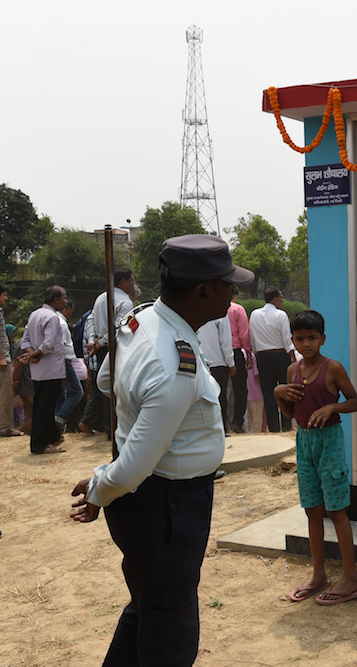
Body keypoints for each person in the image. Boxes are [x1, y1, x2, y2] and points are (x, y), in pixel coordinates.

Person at [69, 234, 254, 667]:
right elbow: (132, 467)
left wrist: (104, 486)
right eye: (228, 284)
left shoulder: (143, 319)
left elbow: (103, 383)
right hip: (167, 508)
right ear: (203, 292)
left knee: (148, 608)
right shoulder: (175, 364)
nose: (234, 292)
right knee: (170, 635)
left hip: (156, 504)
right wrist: (101, 487)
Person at [274, 310, 357, 604]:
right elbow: (291, 412)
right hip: (303, 442)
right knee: (312, 510)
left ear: (322, 339)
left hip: (330, 442)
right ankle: (318, 574)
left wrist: (332, 408)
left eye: (312, 337)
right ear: (293, 341)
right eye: (299, 338)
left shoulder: (333, 368)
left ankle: (351, 578)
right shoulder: (293, 371)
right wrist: (278, 394)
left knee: (336, 510)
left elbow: (355, 402)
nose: (306, 343)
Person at [82, 268, 135, 437]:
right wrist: (100, 342)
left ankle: (108, 428)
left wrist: (92, 340)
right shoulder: (125, 302)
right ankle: (116, 429)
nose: (133, 283)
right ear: (123, 282)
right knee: (117, 386)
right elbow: (120, 329)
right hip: (115, 347)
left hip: (100, 346)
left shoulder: (101, 297)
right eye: (131, 280)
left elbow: (90, 320)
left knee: (105, 386)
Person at [20, 286, 68, 454]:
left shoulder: (35, 314)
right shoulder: (52, 317)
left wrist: (31, 354)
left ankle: (52, 437)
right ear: (56, 300)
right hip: (50, 370)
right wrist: (35, 353)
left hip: (39, 370)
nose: (65, 301)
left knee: (43, 405)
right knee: (45, 407)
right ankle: (40, 444)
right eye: (63, 298)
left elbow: (25, 341)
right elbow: (48, 345)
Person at [249, 287, 295, 433]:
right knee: (286, 390)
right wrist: (293, 356)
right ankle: (287, 425)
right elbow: (287, 339)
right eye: (281, 297)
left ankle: (273, 428)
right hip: (280, 355)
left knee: (268, 393)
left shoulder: (254, 314)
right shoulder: (281, 315)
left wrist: (256, 353)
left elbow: (252, 337)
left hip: (262, 356)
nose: (282, 300)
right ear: (275, 299)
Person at [197, 315, 235, 435]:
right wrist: (231, 363)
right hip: (217, 360)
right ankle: (221, 429)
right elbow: (225, 340)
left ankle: (205, 431)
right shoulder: (221, 312)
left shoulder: (193, 306)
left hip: (199, 359)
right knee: (220, 398)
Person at [53, 298, 84, 432]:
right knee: (77, 392)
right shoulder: (60, 322)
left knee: (61, 394)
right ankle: (59, 416)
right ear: (67, 309)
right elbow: (61, 346)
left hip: (60, 361)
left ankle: (57, 426)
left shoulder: (57, 320)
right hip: (63, 361)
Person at [228, 291, 252, 433]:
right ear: (234, 295)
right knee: (240, 390)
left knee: (221, 389)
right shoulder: (237, 309)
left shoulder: (214, 310)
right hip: (235, 351)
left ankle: (223, 422)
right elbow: (243, 334)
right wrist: (248, 353)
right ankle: (237, 421)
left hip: (217, 354)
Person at [0, 282, 22, 437]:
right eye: (4, 295)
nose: (6, 298)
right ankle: (4, 428)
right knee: (4, 396)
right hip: (2, 360)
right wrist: (1, 357)